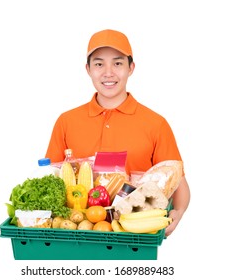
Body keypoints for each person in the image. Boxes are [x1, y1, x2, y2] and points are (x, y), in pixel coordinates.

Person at [45, 29, 190, 236]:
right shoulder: (66, 121)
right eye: (99, 64)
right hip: (77, 232)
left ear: (131, 68)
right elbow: (50, 178)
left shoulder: (155, 123)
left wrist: (179, 211)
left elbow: (176, 181)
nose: (108, 72)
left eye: (118, 63)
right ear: (88, 69)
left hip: (135, 235)